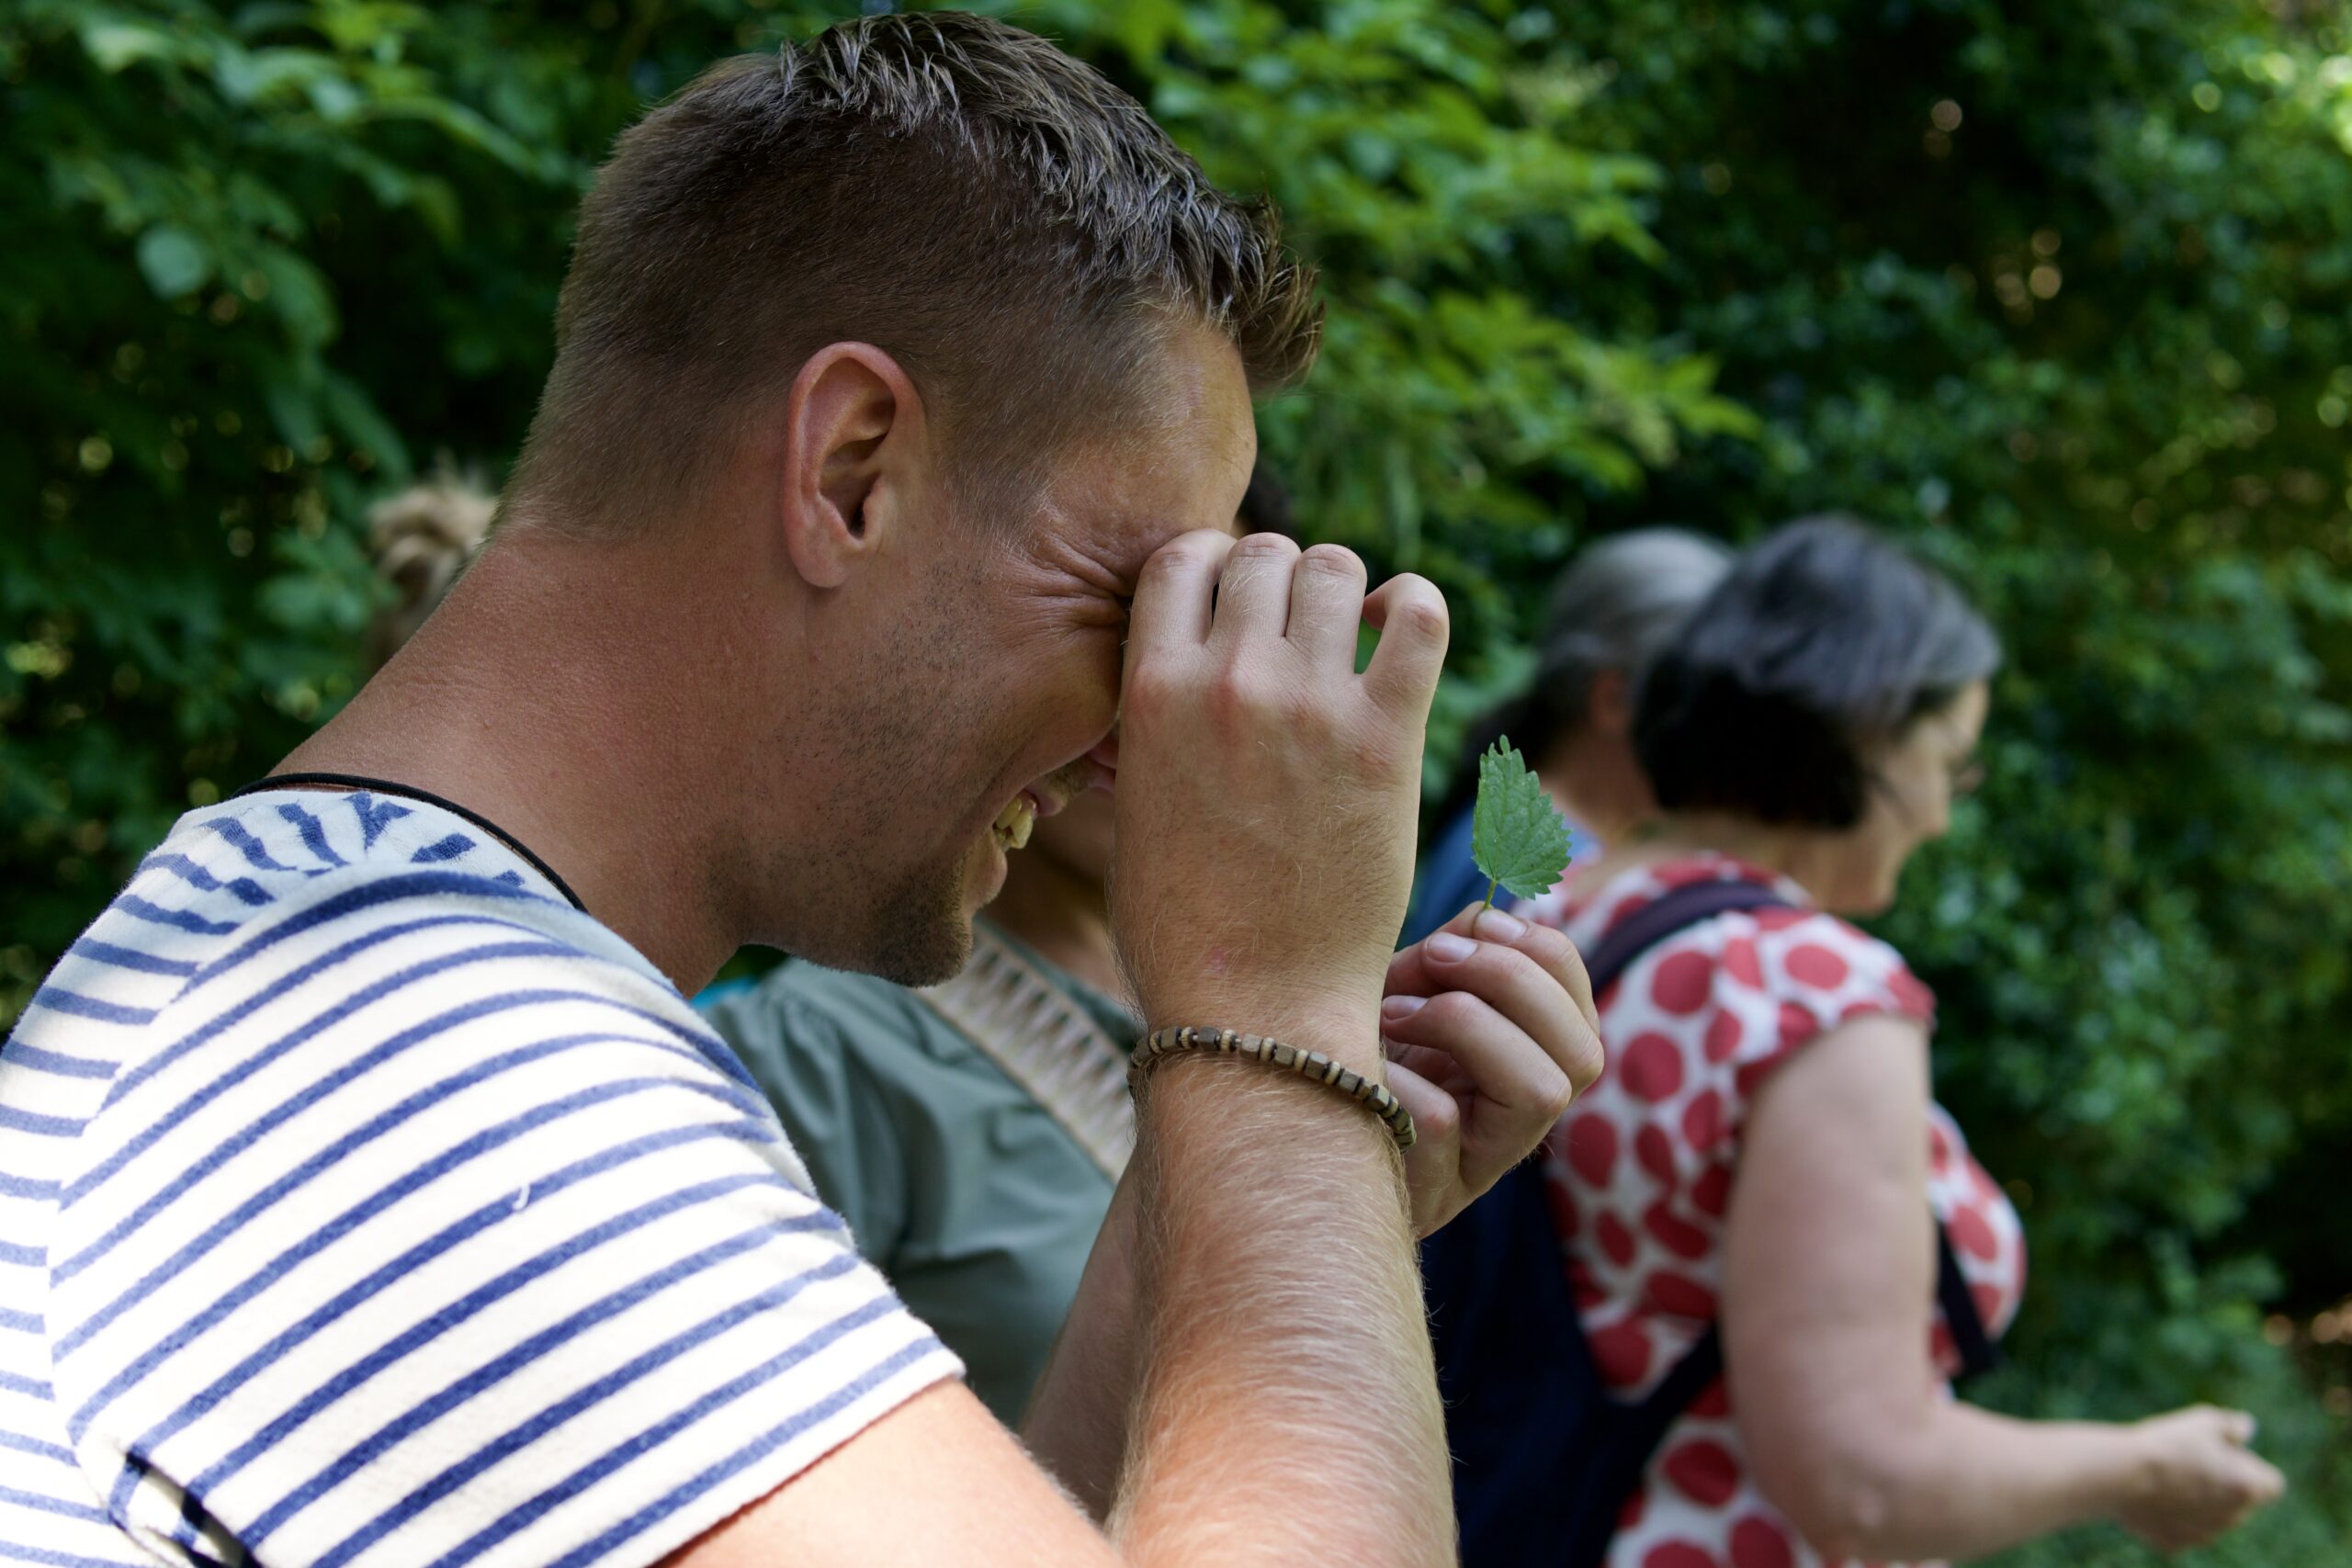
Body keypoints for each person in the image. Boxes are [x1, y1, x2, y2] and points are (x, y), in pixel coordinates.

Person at [0, 15, 1602, 1568]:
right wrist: (1277, 1020)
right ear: (850, 469)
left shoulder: (360, 979)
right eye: (1132, 608)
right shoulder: (421, 1052)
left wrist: (1259, 1186)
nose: (1146, 738)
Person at [1465, 517, 2284, 1566]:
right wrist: (2137, 1468)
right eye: (1949, 761)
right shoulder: (1811, 994)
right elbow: (1860, 1481)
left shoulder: (1567, 915)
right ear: (1865, 737)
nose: (1944, 815)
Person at [697, 463, 1294, 1423]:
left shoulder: (1277, 1027)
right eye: (1130, 626)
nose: (1162, 704)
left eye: (1214, 637)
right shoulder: (822, 1060)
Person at [1404, 528, 1732, 944]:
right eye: (1713, 713)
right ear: (1614, 702)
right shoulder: (1553, 873)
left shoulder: (1510, 819)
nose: (1730, 745)